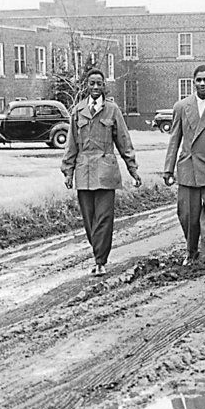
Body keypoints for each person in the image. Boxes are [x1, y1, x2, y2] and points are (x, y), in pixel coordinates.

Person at [61, 69, 141, 276]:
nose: (95, 87)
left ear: (104, 86)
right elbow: (71, 144)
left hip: (106, 171)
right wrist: (68, 171)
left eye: (99, 84)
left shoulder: (112, 110)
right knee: (89, 219)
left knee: (104, 218)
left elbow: (124, 142)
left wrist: (133, 169)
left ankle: (100, 260)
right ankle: (98, 252)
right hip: (83, 172)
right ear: (86, 86)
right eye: (92, 83)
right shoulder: (77, 111)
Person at [162, 64, 205, 269]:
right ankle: (191, 250)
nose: (202, 83)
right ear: (193, 82)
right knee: (187, 214)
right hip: (187, 167)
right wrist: (168, 168)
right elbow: (175, 139)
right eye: (198, 80)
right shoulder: (181, 107)